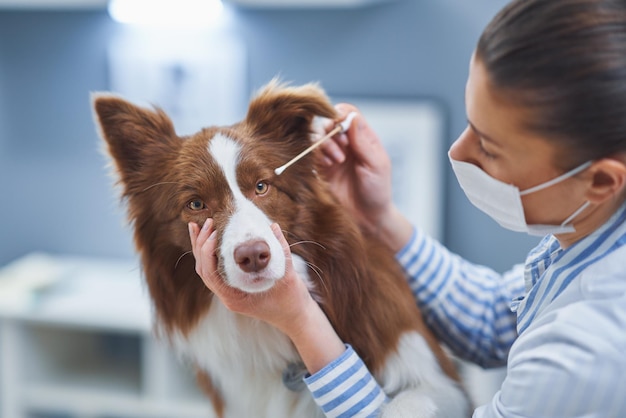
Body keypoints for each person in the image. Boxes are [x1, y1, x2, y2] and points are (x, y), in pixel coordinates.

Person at [188, 0, 626, 416]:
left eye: (490, 147)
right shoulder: (596, 236)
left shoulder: (588, 347)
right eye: (471, 123)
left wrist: (302, 320)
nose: (459, 150)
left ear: (602, 180)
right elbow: (498, 319)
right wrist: (379, 218)